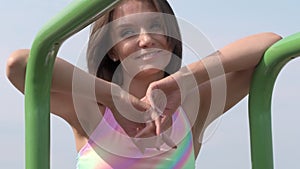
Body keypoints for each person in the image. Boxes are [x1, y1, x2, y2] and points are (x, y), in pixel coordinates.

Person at [5, 0, 282, 168]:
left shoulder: (193, 108)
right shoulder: (90, 109)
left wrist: (184, 80)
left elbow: (270, 44)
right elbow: (20, 65)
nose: (145, 39)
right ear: (111, 50)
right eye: (127, 32)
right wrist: (113, 95)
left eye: (155, 26)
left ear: (171, 38)